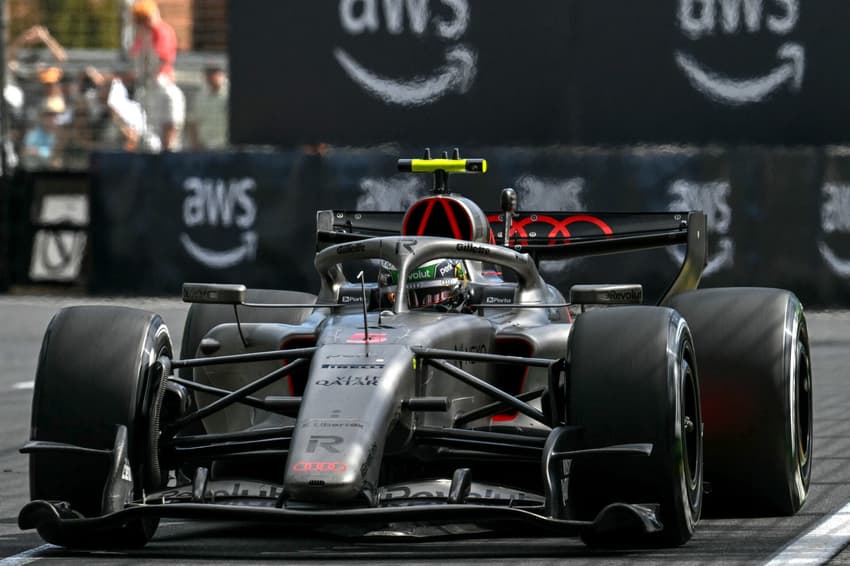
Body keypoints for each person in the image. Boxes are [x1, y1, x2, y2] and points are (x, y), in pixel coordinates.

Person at [129, 0, 185, 151]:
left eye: (144, 19)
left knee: (168, 133)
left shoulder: (162, 31)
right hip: (145, 89)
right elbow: (135, 59)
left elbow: (163, 58)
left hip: (161, 85)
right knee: (147, 137)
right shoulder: (140, 35)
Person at [187, 64, 228, 150]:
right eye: (208, 75)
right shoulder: (200, 96)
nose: (210, 78)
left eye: (214, 74)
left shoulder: (231, 95)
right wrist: (195, 145)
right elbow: (193, 122)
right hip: (205, 146)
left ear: (222, 75)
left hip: (226, 147)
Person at [21, 102, 61, 169]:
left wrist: (38, 151)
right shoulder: (33, 135)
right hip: (38, 170)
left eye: (53, 116)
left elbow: (58, 153)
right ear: (41, 117)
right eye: (47, 115)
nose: (50, 119)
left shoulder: (60, 134)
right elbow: (27, 151)